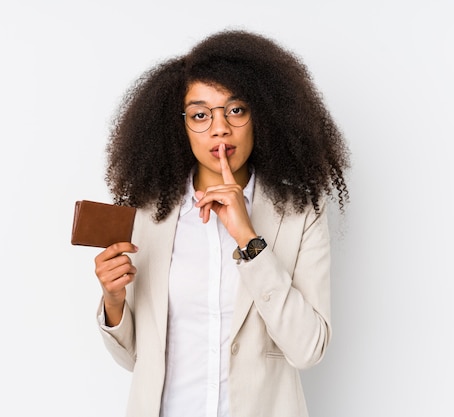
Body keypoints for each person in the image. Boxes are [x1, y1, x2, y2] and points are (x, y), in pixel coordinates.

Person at [93, 29, 349, 417]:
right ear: (180, 126)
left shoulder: (300, 212)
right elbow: (134, 359)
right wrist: (113, 300)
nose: (219, 129)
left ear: (261, 114)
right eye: (200, 115)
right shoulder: (148, 215)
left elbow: (308, 348)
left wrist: (249, 239)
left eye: (235, 110)